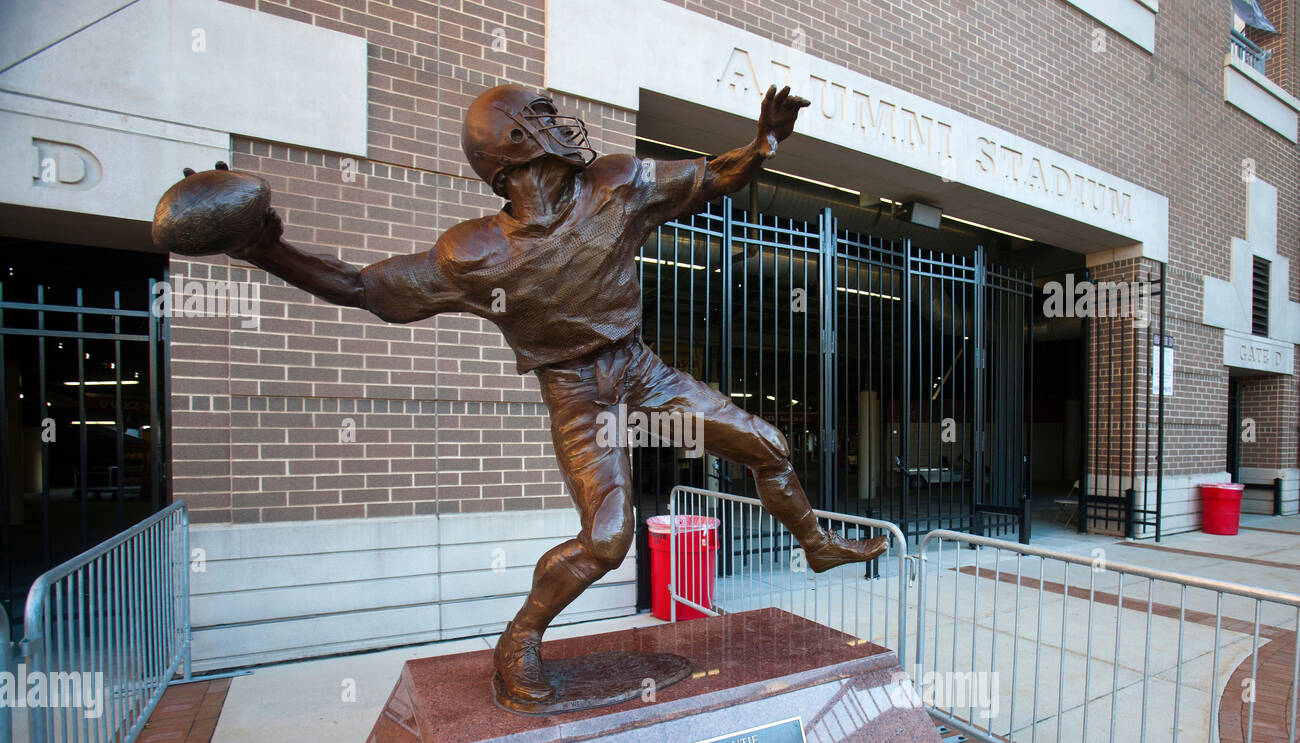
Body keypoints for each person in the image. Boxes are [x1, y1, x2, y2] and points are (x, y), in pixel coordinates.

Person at [231, 83, 889, 705]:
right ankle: (520, 638)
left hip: (642, 374)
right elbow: (360, 288)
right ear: (516, 141)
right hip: (581, 398)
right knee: (606, 539)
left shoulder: (618, 185)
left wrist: (766, 143)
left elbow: (716, 175)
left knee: (767, 445)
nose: (561, 124)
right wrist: (268, 251)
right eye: (542, 115)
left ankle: (816, 543)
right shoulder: (475, 253)